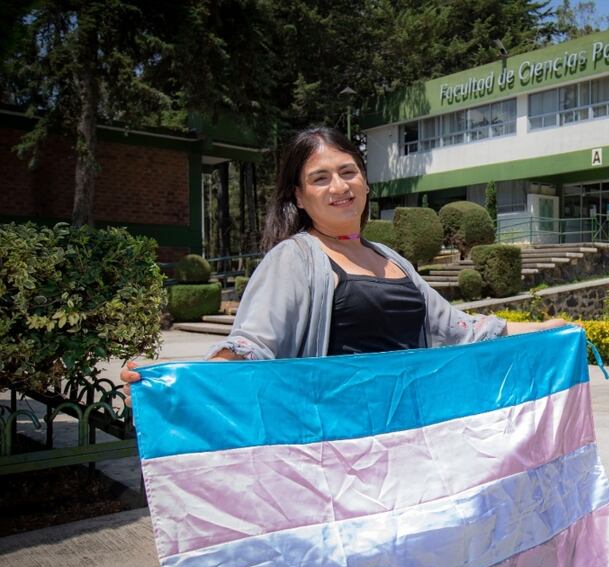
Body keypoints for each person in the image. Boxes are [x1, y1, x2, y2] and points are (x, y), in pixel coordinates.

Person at [122, 126, 564, 399]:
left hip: (414, 437)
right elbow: (252, 346)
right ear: (299, 196)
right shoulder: (293, 258)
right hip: (338, 450)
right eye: (320, 177)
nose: (340, 186)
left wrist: (553, 329)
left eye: (348, 171)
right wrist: (170, 382)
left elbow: (462, 330)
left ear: (366, 183)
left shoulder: (393, 260)